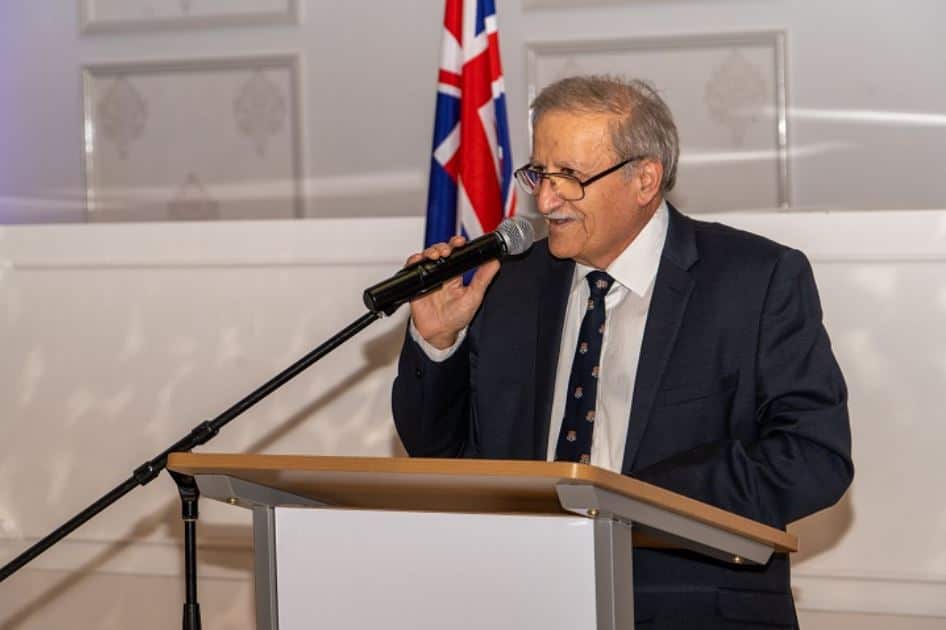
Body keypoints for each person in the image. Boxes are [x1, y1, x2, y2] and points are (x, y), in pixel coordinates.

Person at [392, 75, 853, 627]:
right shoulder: (509, 284)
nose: (544, 199)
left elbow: (814, 456)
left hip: (692, 609)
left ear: (645, 179)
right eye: (539, 173)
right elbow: (443, 457)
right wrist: (438, 343)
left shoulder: (755, 281)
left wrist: (630, 502)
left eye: (570, 177)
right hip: (526, 602)